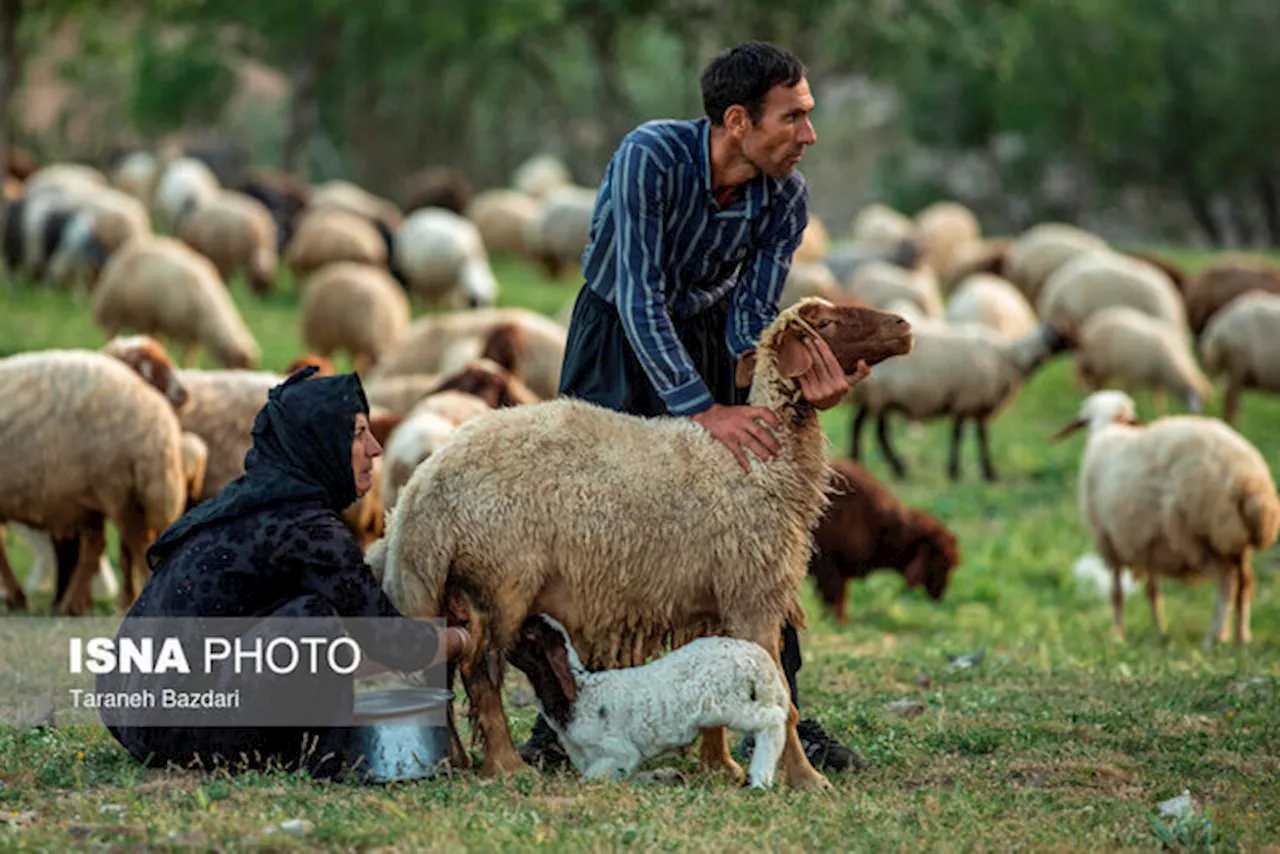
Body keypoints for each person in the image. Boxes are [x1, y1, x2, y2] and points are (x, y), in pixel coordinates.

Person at [522, 41, 866, 774]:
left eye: (809, 116)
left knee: (751, 525)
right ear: (737, 121)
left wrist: (792, 381)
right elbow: (639, 293)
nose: (809, 135)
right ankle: (568, 721)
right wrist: (701, 410)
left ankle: (777, 712)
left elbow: (748, 320)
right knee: (597, 524)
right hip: (616, 333)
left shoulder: (785, 198)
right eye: (794, 117)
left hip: (707, 341)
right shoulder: (650, 155)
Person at [99, 365, 469, 780]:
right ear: (319, 443)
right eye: (357, 434)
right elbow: (393, 644)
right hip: (174, 726)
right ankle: (327, 760)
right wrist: (465, 637)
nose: (376, 448)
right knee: (312, 621)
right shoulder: (308, 529)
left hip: (126, 707)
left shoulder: (245, 506)